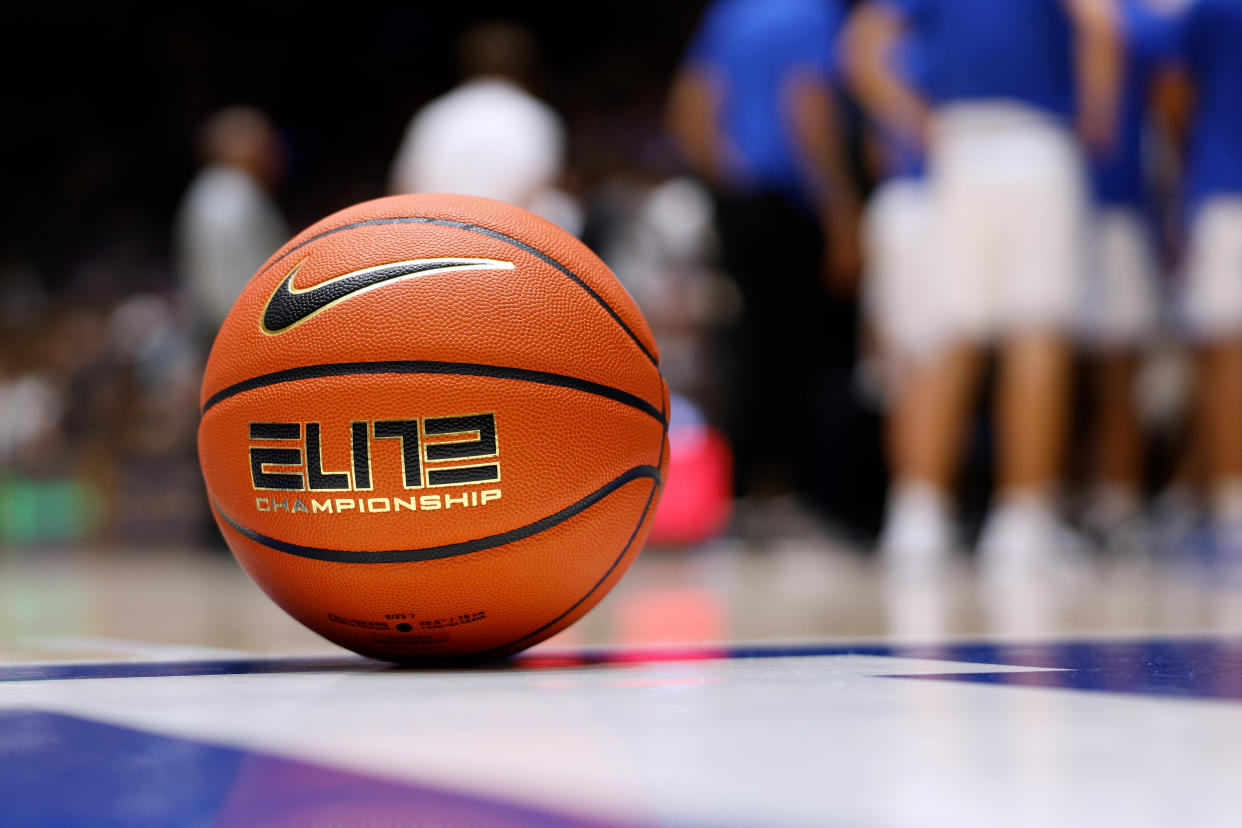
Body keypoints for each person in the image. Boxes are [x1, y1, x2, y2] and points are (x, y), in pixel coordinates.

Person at [844, 0, 1122, 580]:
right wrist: (1098, 115)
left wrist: (916, 120)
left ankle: (917, 520)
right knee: (1036, 333)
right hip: (1035, 138)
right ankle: (1023, 525)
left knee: (949, 334)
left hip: (959, 143)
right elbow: (1101, 26)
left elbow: (862, 47)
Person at [667, 0, 860, 517]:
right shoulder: (814, 15)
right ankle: (794, 494)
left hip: (743, 205)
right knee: (806, 355)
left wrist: (726, 179)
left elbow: (690, 101)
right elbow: (808, 105)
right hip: (794, 204)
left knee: (749, 349)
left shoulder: (733, 14)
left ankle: (745, 490)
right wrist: (842, 211)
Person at [1152, 0, 1242, 564]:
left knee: (1224, 355)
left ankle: (1233, 504)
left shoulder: (1209, 9)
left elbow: (1172, 98)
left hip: (1224, 188)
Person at [389, 22, 579, 234]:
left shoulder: (435, 113)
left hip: (433, 235)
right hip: (508, 238)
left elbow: (402, 189)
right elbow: (537, 187)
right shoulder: (535, 114)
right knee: (562, 205)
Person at [174, 107, 288, 341]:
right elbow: (234, 284)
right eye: (262, 141)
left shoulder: (210, 190)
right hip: (245, 331)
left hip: (227, 329)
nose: (272, 150)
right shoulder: (232, 192)